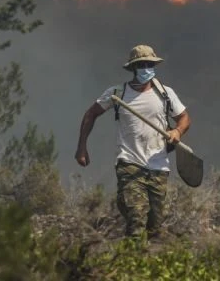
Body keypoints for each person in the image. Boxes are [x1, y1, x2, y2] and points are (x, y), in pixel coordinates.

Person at [75, 44, 191, 239]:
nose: (146, 68)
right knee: (136, 219)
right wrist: (81, 148)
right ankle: (130, 259)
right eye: (141, 64)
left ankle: (147, 264)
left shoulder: (165, 94)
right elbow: (91, 114)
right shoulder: (118, 93)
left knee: (155, 226)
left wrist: (177, 132)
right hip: (129, 164)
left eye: (149, 64)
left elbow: (184, 118)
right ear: (133, 68)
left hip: (159, 166)